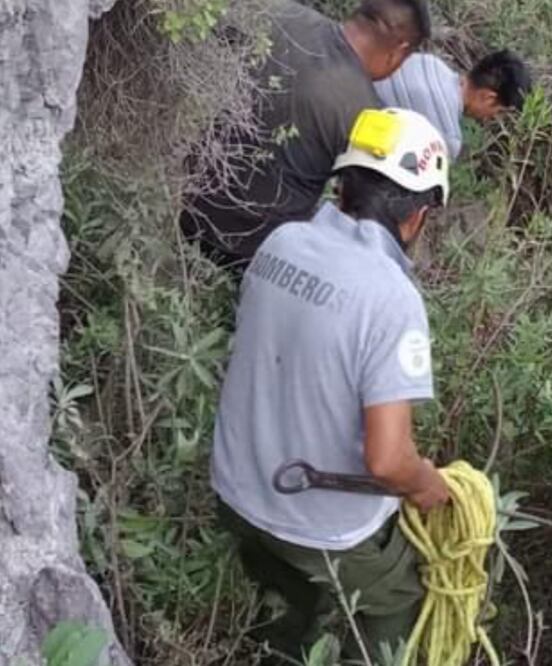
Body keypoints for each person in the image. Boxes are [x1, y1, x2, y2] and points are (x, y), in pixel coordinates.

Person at [210, 107, 452, 662]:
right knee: (396, 600)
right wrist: (428, 487)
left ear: (342, 186)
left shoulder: (282, 242)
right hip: (318, 526)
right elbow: (389, 461)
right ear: (417, 215)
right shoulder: (390, 298)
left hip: (235, 492)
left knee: (286, 605)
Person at [180, 0, 431, 270]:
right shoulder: (367, 116)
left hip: (185, 201)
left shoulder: (282, 14)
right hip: (252, 255)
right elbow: (361, 211)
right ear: (399, 50)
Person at [374, 49, 532, 160]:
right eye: (498, 111)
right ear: (488, 97)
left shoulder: (430, 63)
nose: (492, 118)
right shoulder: (447, 138)